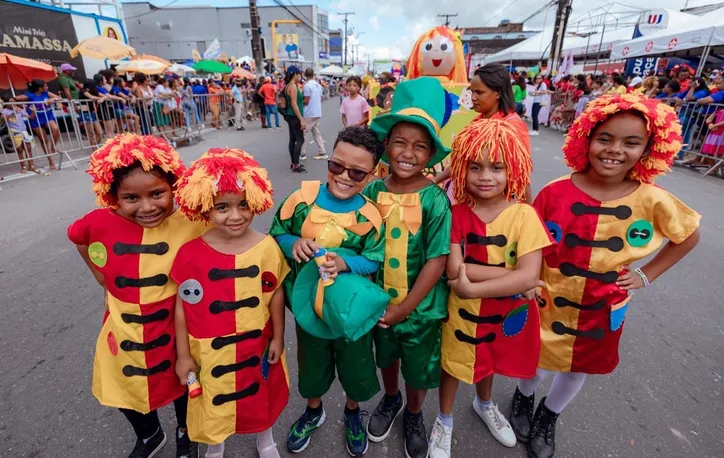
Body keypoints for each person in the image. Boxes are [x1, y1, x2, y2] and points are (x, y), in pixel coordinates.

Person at [508, 94, 700, 458]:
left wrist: (647, 274)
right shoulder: (555, 191)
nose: (614, 150)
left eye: (631, 142)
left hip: (602, 305)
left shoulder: (654, 199)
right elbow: (528, 239)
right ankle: (523, 396)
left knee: (580, 365)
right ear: (586, 139)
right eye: (605, 138)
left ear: (649, 149)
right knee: (536, 357)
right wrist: (525, 278)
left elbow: (688, 234)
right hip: (548, 296)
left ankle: (549, 415)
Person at [67, 134, 204, 458]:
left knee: (183, 382)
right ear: (113, 195)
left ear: (174, 186)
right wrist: (102, 278)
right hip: (124, 327)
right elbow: (78, 237)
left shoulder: (191, 222)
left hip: (176, 325)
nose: (147, 207)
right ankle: (149, 435)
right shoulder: (99, 222)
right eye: (131, 198)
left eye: (157, 194)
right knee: (124, 386)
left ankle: (187, 433)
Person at [428, 118, 552, 458]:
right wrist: (511, 276)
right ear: (460, 169)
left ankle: (485, 404)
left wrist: (472, 285)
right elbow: (454, 268)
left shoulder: (525, 215)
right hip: (462, 313)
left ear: (512, 169)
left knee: (490, 359)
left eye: (497, 167)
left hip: (500, 310)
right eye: (475, 167)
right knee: (453, 364)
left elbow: (530, 276)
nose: (485, 176)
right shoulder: (453, 213)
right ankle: (444, 420)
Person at [269, 126, 386, 457]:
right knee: (313, 362)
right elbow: (277, 233)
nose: (344, 177)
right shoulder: (300, 200)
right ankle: (314, 409)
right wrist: (294, 243)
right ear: (329, 159)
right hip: (309, 309)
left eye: (357, 172)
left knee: (356, 364)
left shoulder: (370, 215)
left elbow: (375, 260)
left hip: (351, 311)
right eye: (337, 166)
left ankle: (352, 412)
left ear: (373, 173)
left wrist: (347, 265)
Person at [172, 148, 289, 458]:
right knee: (212, 396)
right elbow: (182, 306)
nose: (235, 215)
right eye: (222, 207)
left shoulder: (267, 246)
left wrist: (278, 336)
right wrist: (183, 356)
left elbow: (275, 291)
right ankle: (215, 443)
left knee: (259, 390)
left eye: (243, 205)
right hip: (209, 349)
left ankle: (265, 440)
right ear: (204, 207)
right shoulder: (189, 253)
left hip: (256, 342)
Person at [362, 78, 452, 458]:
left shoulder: (434, 200)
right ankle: (391, 398)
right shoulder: (372, 192)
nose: (407, 153)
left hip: (420, 309)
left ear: (430, 153)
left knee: (418, 367)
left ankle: (414, 412)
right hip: (380, 303)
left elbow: (437, 258)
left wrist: (406, 309)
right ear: (386, 146)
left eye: (419, 146)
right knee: (387, 355)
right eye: (399, 142)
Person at [433, 63, 532, 204]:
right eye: (472, 91)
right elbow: (460, 162)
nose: (473, 97)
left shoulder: (513, 125)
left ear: (497, 93)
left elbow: (522, 174)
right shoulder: (477, 121)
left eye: (479, 92)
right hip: (471, 201)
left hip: (498, 206)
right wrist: (436, 180)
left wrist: (529, 210)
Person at [18, 79, 60, 170]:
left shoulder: (46, 93)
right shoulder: (29, 95)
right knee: (44, 140)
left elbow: (59, 98)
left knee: (55, 129)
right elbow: (16, 99)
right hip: (36, 119)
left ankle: (53, 147)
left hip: (47, 116)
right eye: (45, 86)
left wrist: (53, 99)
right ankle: (51, 162)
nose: (47, 87)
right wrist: (12, 101)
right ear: (39, 88)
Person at [1, 94, 38, 174]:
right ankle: (23, 166)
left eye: (14, 102)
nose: (13, 104)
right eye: (10, 102)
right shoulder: (4, 111)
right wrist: (12, 114)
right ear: (6, 103)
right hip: (14, 132)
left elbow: (30, 117)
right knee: (19, 150)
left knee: (28, 148)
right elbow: (4, 120)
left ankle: (31, 166)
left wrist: (33, 111)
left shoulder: (19, 109)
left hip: (24, 131)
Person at [283, 66, 307, 173]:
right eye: (299, 74)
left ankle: (294, 163)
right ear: (295, 75)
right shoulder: (292, 87)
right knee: (300, 140)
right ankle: (296, 165)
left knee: (293, 139)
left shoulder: (289, 85)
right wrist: (301, 119)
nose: (300, 77)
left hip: (291, 115)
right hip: (295, 116)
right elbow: (293, 103)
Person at [302, 68, 327, 160]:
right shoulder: (318, 85)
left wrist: (299, 102)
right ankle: (322, 151)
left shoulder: (307, 86)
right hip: (317, 111)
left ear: (305, 75)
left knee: (304, 133)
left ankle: (302, 153)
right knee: (316, 132)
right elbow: (320, 99)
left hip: (309, 112)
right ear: (313, 74)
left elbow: (306, 101)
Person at [77, 78, 107, 147]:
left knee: (100, 133)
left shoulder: (94, 91)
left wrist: (102, 99)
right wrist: (100, 98)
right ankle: (93, 148)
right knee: (91, 133)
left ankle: (95, 145)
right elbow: (91, 97)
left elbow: (105, 96)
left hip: (93, 113)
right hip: (85, 113)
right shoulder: (83, 91)